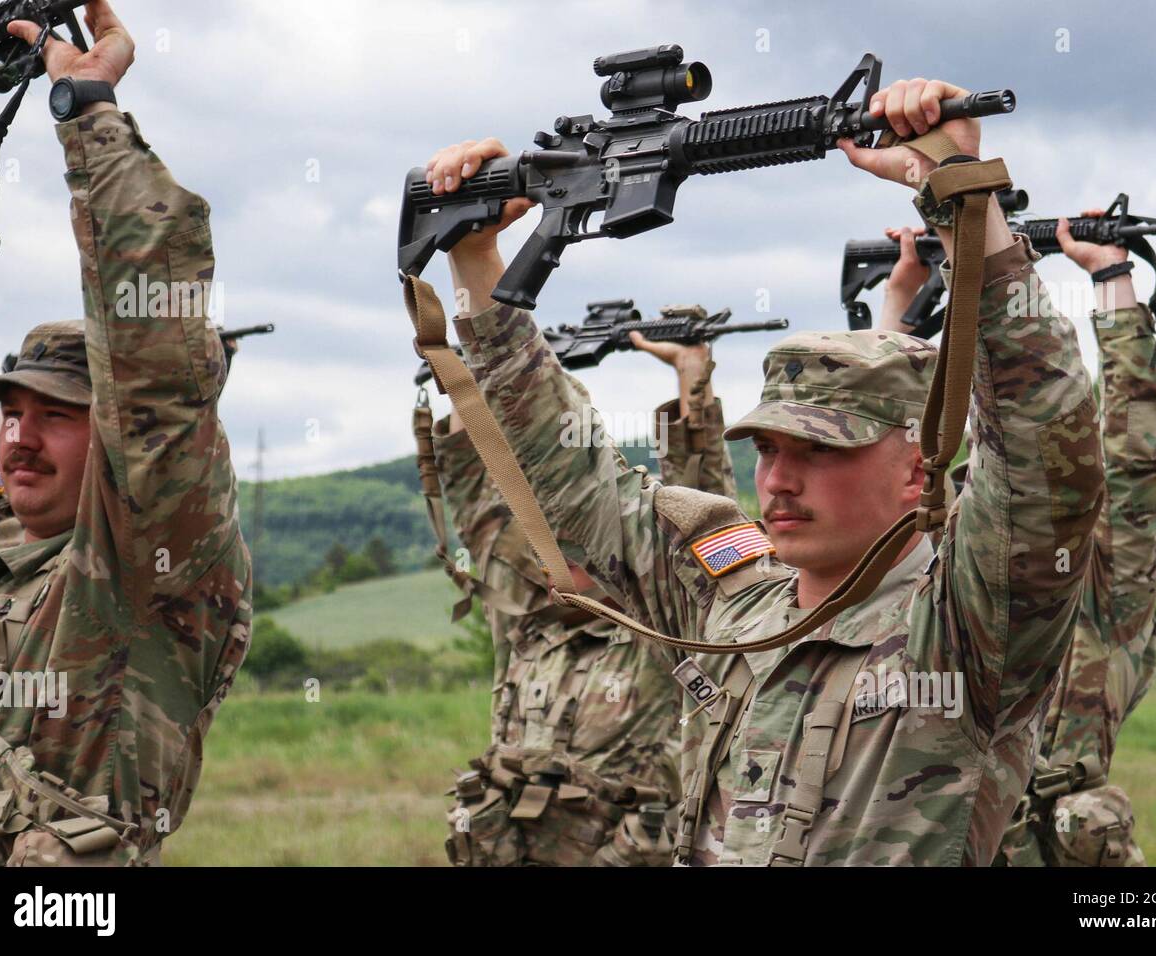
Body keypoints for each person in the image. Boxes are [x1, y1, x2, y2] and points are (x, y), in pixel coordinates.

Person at [418, 78, 1106, 866]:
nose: (778, 479)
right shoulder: (730, 602)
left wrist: (955, 191)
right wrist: (477, 266)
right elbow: (572, 478)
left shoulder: (965, 628)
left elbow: (1044, 439)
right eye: (770, 448)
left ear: (920, 470)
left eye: (822, 451)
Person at [0, 0, 250, 866]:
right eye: (12, 412)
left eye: (56, 416)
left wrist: (90, 116)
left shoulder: (141, 565)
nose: (19, 437)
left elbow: (153, 359)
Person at [878, 214, 1156, 866]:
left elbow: (1137, 448)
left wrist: (1112, 276)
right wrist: (901, 304)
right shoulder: (947, 578)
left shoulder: (1106, 591)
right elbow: (876, 452)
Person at [435, 327, 737, 866]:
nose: (557, 548)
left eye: (575, 535)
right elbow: (470, 487)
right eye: (545, 534)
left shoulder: (659, 629)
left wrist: (692, 372)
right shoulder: (526, 623)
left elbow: (702, 507)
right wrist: (479, 363)